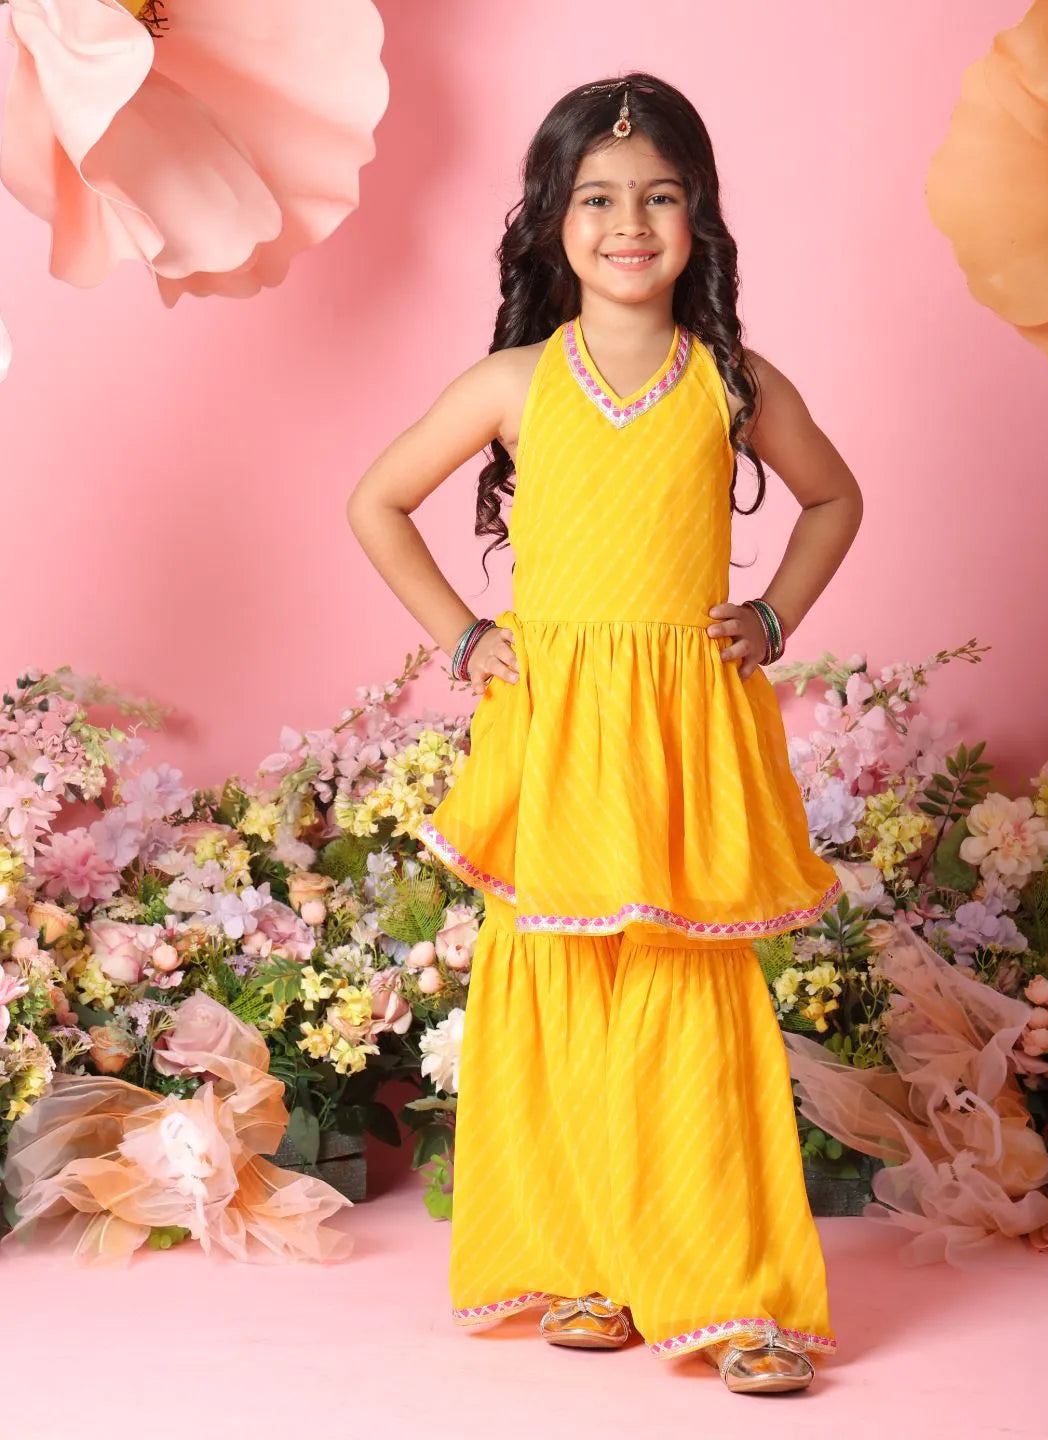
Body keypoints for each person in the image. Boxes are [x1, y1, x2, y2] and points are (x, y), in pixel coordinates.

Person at [347, 72, 863, 1395]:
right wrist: (466, 638)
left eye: (659, 196)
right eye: (597, 198)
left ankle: (736, 1291)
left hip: (685, 732)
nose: (629, 223)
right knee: (558, 994)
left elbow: (833, 500)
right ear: (550, 221)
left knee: (690, 1001)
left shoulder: (731, 382)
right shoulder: (514, 381)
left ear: (699, 218)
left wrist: (777, 615)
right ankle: (583, 1266)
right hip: (559, 736)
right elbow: (377, 503)